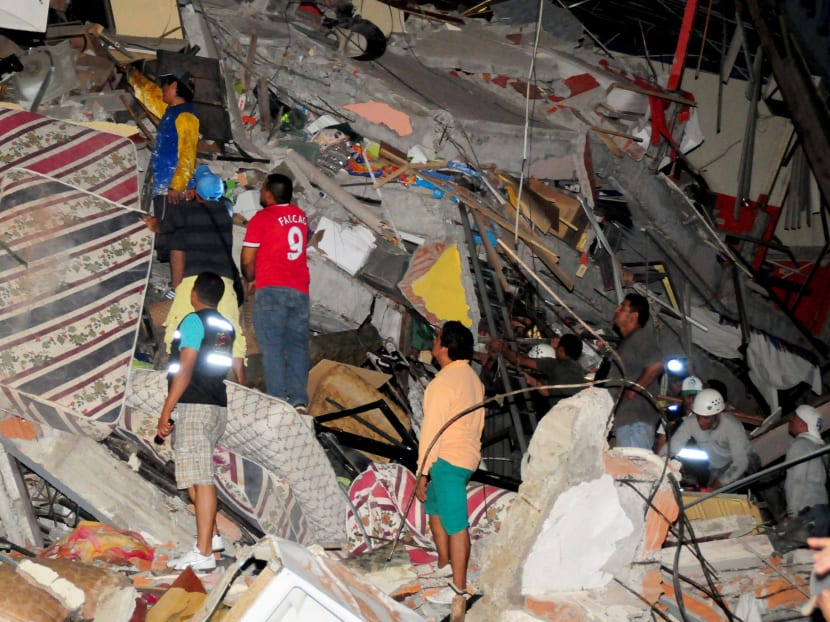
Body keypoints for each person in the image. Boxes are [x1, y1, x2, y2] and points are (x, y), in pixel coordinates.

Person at [157, 272, 234, 571]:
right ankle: (212, 538)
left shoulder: (193, 321)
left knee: (201, 480)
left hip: (194, 405)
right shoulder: (226, 326)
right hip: (216, 406)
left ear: (194, 294)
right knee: (192, 475)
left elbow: (185, 368)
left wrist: (167, 409)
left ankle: (202, 554)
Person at [141, 167, 246, 384]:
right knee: (231, 329)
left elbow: (163, 227)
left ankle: (167, 372)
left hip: (193, 281)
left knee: (177, 325)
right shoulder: (225, 210)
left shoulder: (187, 212)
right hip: (223, 282)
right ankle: (242, 383)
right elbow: (222, 200)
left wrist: (153, 222)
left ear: (196, 192)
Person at [414, 321, 485, 606]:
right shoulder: (473, 379)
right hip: (465, 456)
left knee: (456, 524)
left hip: (448, 459)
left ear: (444, 347)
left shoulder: (443, 382)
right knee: (434, 506)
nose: (433, 343)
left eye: (437, 339)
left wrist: (422, 471)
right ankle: (444, 564)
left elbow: (431, 431)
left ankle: (459, 589)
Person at [240, 173, 310, 409]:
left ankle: (279, 400)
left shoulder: (262, 218)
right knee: (298, 346)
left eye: (262, 189)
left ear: (269, 193)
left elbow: (248, 258)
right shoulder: (300, 217)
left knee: (272, 347)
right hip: (299, 289)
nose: (260, 192)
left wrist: (251, 279)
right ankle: (299, 399)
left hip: (271, 288)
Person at [128, 66, 199, 270]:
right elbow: (151, 95)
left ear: (175, 87)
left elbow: (188, 153)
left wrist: (178, 185)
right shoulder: (173, 111)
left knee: (172, 238)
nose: (162, 90)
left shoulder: (186, 117)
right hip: (167, 185)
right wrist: (132, 75)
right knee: (169, 237)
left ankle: (177, 285)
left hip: (172, 187)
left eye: (166, 86)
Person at [661, 388, 754, 489]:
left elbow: (740, 463)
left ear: (717, 415)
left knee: (728, 490)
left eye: (706, 418)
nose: (700, 422)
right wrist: (656, 463)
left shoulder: (732, 426)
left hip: (741, 464)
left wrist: (715, 487)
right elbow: (671, 447)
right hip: (714, 466)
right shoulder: (691, 423)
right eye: (698, 416)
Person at [611, 293, 666, 449]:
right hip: (627, 421)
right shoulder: (627, 343)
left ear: (633, 316)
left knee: (633, 468)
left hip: (636, 421)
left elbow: (656, 365)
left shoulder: (640, 337)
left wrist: (633, 390)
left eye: (622, 307)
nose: (617, 309)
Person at [489, 333, 585, 415]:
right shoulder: (580, 370)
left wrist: (502, 349)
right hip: (575, 413)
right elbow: (549, 392)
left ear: (561, 349)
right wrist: (534, 382)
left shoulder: (555, 364)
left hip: (558, 415)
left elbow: (521, 360)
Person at [784, 405, 830, 537]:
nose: (791, 421)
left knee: (801, 556)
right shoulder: (819, 448)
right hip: (822, 511)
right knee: (816, 556)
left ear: (801, 423)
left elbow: (797, 481)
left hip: (807, 511)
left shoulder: (801, 445)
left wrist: (792, 514)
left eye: (793, 418)